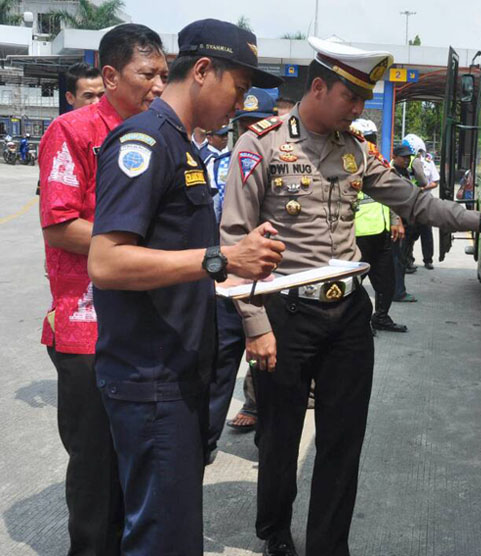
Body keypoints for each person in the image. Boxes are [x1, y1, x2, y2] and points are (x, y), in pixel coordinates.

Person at [219, 36, 481, 556]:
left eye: (365, 99)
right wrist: (255, 325)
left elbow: (413, 202)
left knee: (342, 440)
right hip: (286, 316)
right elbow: (234, 241)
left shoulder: (354, 152)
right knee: (279, 437)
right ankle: (274, 530)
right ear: (319, 87)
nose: (360, 109)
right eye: (352, 98)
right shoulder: (262, 144)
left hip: (347, 316)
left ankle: (328, 546)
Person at [88, 19, 284, 554]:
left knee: (174, 531)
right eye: (239, 89)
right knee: (161, 538)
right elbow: (105, 262)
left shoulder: (183, 145)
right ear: (202, 71)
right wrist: (223, 258)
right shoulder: (145, 141)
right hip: (149, 376)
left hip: (178, 369)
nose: (240, 103)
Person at [37, 23, 167, 556]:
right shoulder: (73, 131)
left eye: (164, 74)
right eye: (148, 74)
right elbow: (58, 225)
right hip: (86, 330)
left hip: (142, 324)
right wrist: (139, 247)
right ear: (110, 75)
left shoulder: (159, 133)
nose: (159, 86)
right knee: (94, 469)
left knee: (135, 464)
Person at [208, 86, 281, 444]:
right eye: (244, 125)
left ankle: (260, 420)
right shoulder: (215, 163)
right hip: (222, 277)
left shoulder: (282, 161)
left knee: (265, 361)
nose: (249, 133)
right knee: (217, 366)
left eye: (258, 123)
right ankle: (203, 444)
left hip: (262, 281)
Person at [351, 119, 408, 331]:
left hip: (382, 232)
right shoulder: (344, 164)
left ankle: (381, 317)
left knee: (387, 281)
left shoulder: (379, 163)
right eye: (365, 139)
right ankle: (356, 323)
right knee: (353, 284)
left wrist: (395, 220)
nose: (369, 144)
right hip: (357, 235)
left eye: (372, 139)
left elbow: (389, 194)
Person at [402, 134, 437, 270]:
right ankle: (415, 260)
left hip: (412, 201)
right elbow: (422, 180)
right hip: (416, 202)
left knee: (413, 234)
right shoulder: (415, 161)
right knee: (416, 233)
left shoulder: (397, 160)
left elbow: (434, 182)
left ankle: (414, 260)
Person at [390, 143, 419, 303]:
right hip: (398, 224)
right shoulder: (392, 173)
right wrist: (398, 221)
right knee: (397, 260)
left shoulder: (405, 172)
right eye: (404, 157)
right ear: (395, 157)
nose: (407, 160)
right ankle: (398, 292)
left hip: (406, 222)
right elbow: (392, 201)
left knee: (400, 258)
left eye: (409, 157)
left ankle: (396, 290)